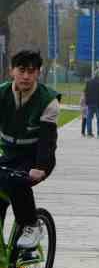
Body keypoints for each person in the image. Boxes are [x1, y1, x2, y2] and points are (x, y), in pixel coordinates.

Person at [0, 51, 59, 254]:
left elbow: (47, 140)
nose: (26, 76)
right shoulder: (2, 94)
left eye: (31, 71)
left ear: (38, 74)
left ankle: (31, 225)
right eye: (22, 70)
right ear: (12, 71)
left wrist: (40, 167)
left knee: (16, 181)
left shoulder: (48, 100)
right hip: (10, 154)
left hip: (36, 157)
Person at [81, 69, 99, 138]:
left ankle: (89, 133)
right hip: (98, 103)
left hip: (90, 103)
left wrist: (86, 101)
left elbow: (86, 91)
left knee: (89, 119)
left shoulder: (89, 82)